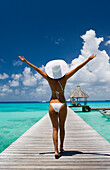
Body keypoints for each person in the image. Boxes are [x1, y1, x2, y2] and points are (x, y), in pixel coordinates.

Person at [19, 54, 96, 158]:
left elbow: (37, 70)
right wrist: (88, 60)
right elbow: (77, 68)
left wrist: (26, 61)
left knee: (55, 128)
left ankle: (55, 151)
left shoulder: (49, 79)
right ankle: (61, 147)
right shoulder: (65, 78)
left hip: (52, 104)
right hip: (62, 104)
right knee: (62, 127)